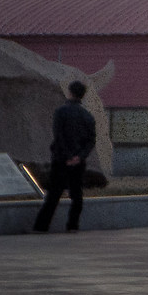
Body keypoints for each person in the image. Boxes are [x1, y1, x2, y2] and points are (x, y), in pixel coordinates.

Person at [32, 80, 97, 234]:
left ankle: (41, 227)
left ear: (70, 92)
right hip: (78, 162)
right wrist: (79, 157)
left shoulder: (61, 112)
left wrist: (68, 155)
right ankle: (72, 225)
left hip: (61, 159)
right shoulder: (87, 116)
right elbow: (91, 140)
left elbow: (59, 136)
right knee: (77, 194)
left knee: (54, 194)